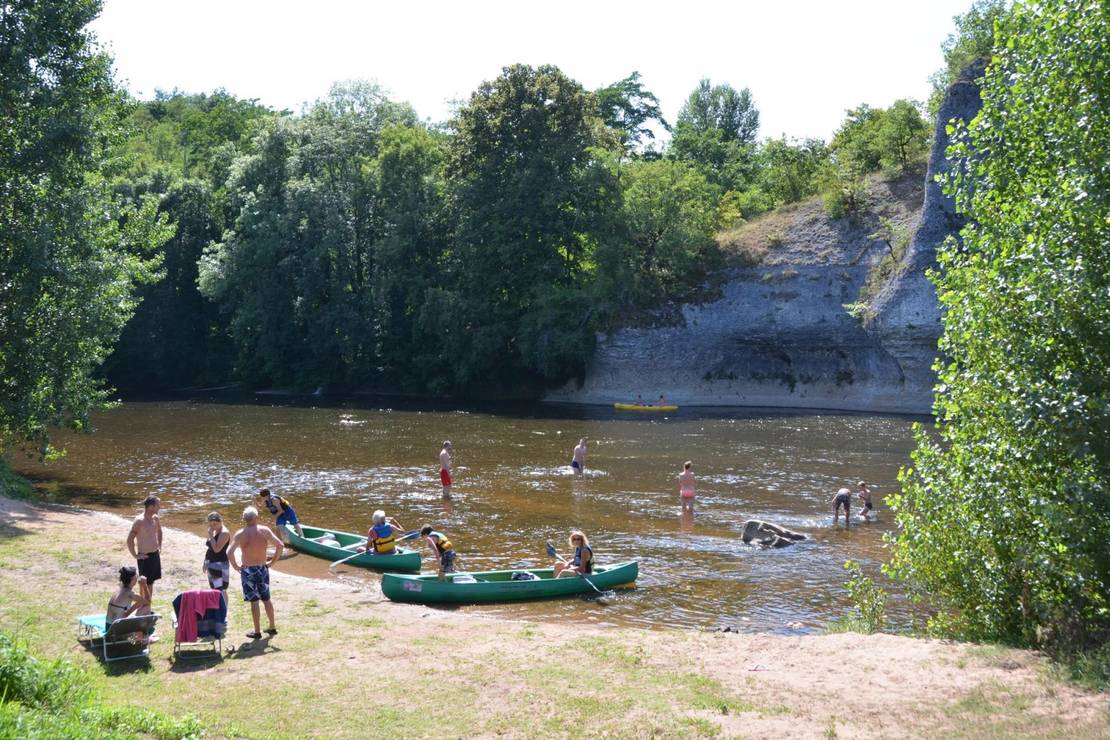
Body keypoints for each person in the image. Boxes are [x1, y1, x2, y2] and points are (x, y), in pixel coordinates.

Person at [227, 506, 284, 639]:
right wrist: (273, 562)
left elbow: (229, 552)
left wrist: (236, 566)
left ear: (244, 519)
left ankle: (257, 631)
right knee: (266, 599)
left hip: (248, 570)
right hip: (262, 568)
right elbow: (280, 545)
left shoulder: (240, 534)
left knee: (254, 602)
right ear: (256, 517)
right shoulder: (264, 531)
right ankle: (272, 627)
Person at [126, 495, 162, 605]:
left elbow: (160, 531)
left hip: (155, 555)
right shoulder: (139, 521)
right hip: (144, 556)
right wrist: (135, 555)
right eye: (158, 505)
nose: (160, 507)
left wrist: (159, 545)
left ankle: (147, 604)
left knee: (151, 583)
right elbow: (129, 539)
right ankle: (144, 604)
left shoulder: (155, 518)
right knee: (144, 582)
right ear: (151, 506)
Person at [203, 512, 231, 591]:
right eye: (210, 524)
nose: (212, 526)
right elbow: (210, 548)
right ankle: (219, 603)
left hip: (219, 564)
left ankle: (223, 604)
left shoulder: (224, 533)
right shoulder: (215, 530)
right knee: (215, 589)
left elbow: (216, 550)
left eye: (215, 524)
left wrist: (211, 535)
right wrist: (205, 562)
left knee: (220, 590)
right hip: (212, 562)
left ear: (221, 521)